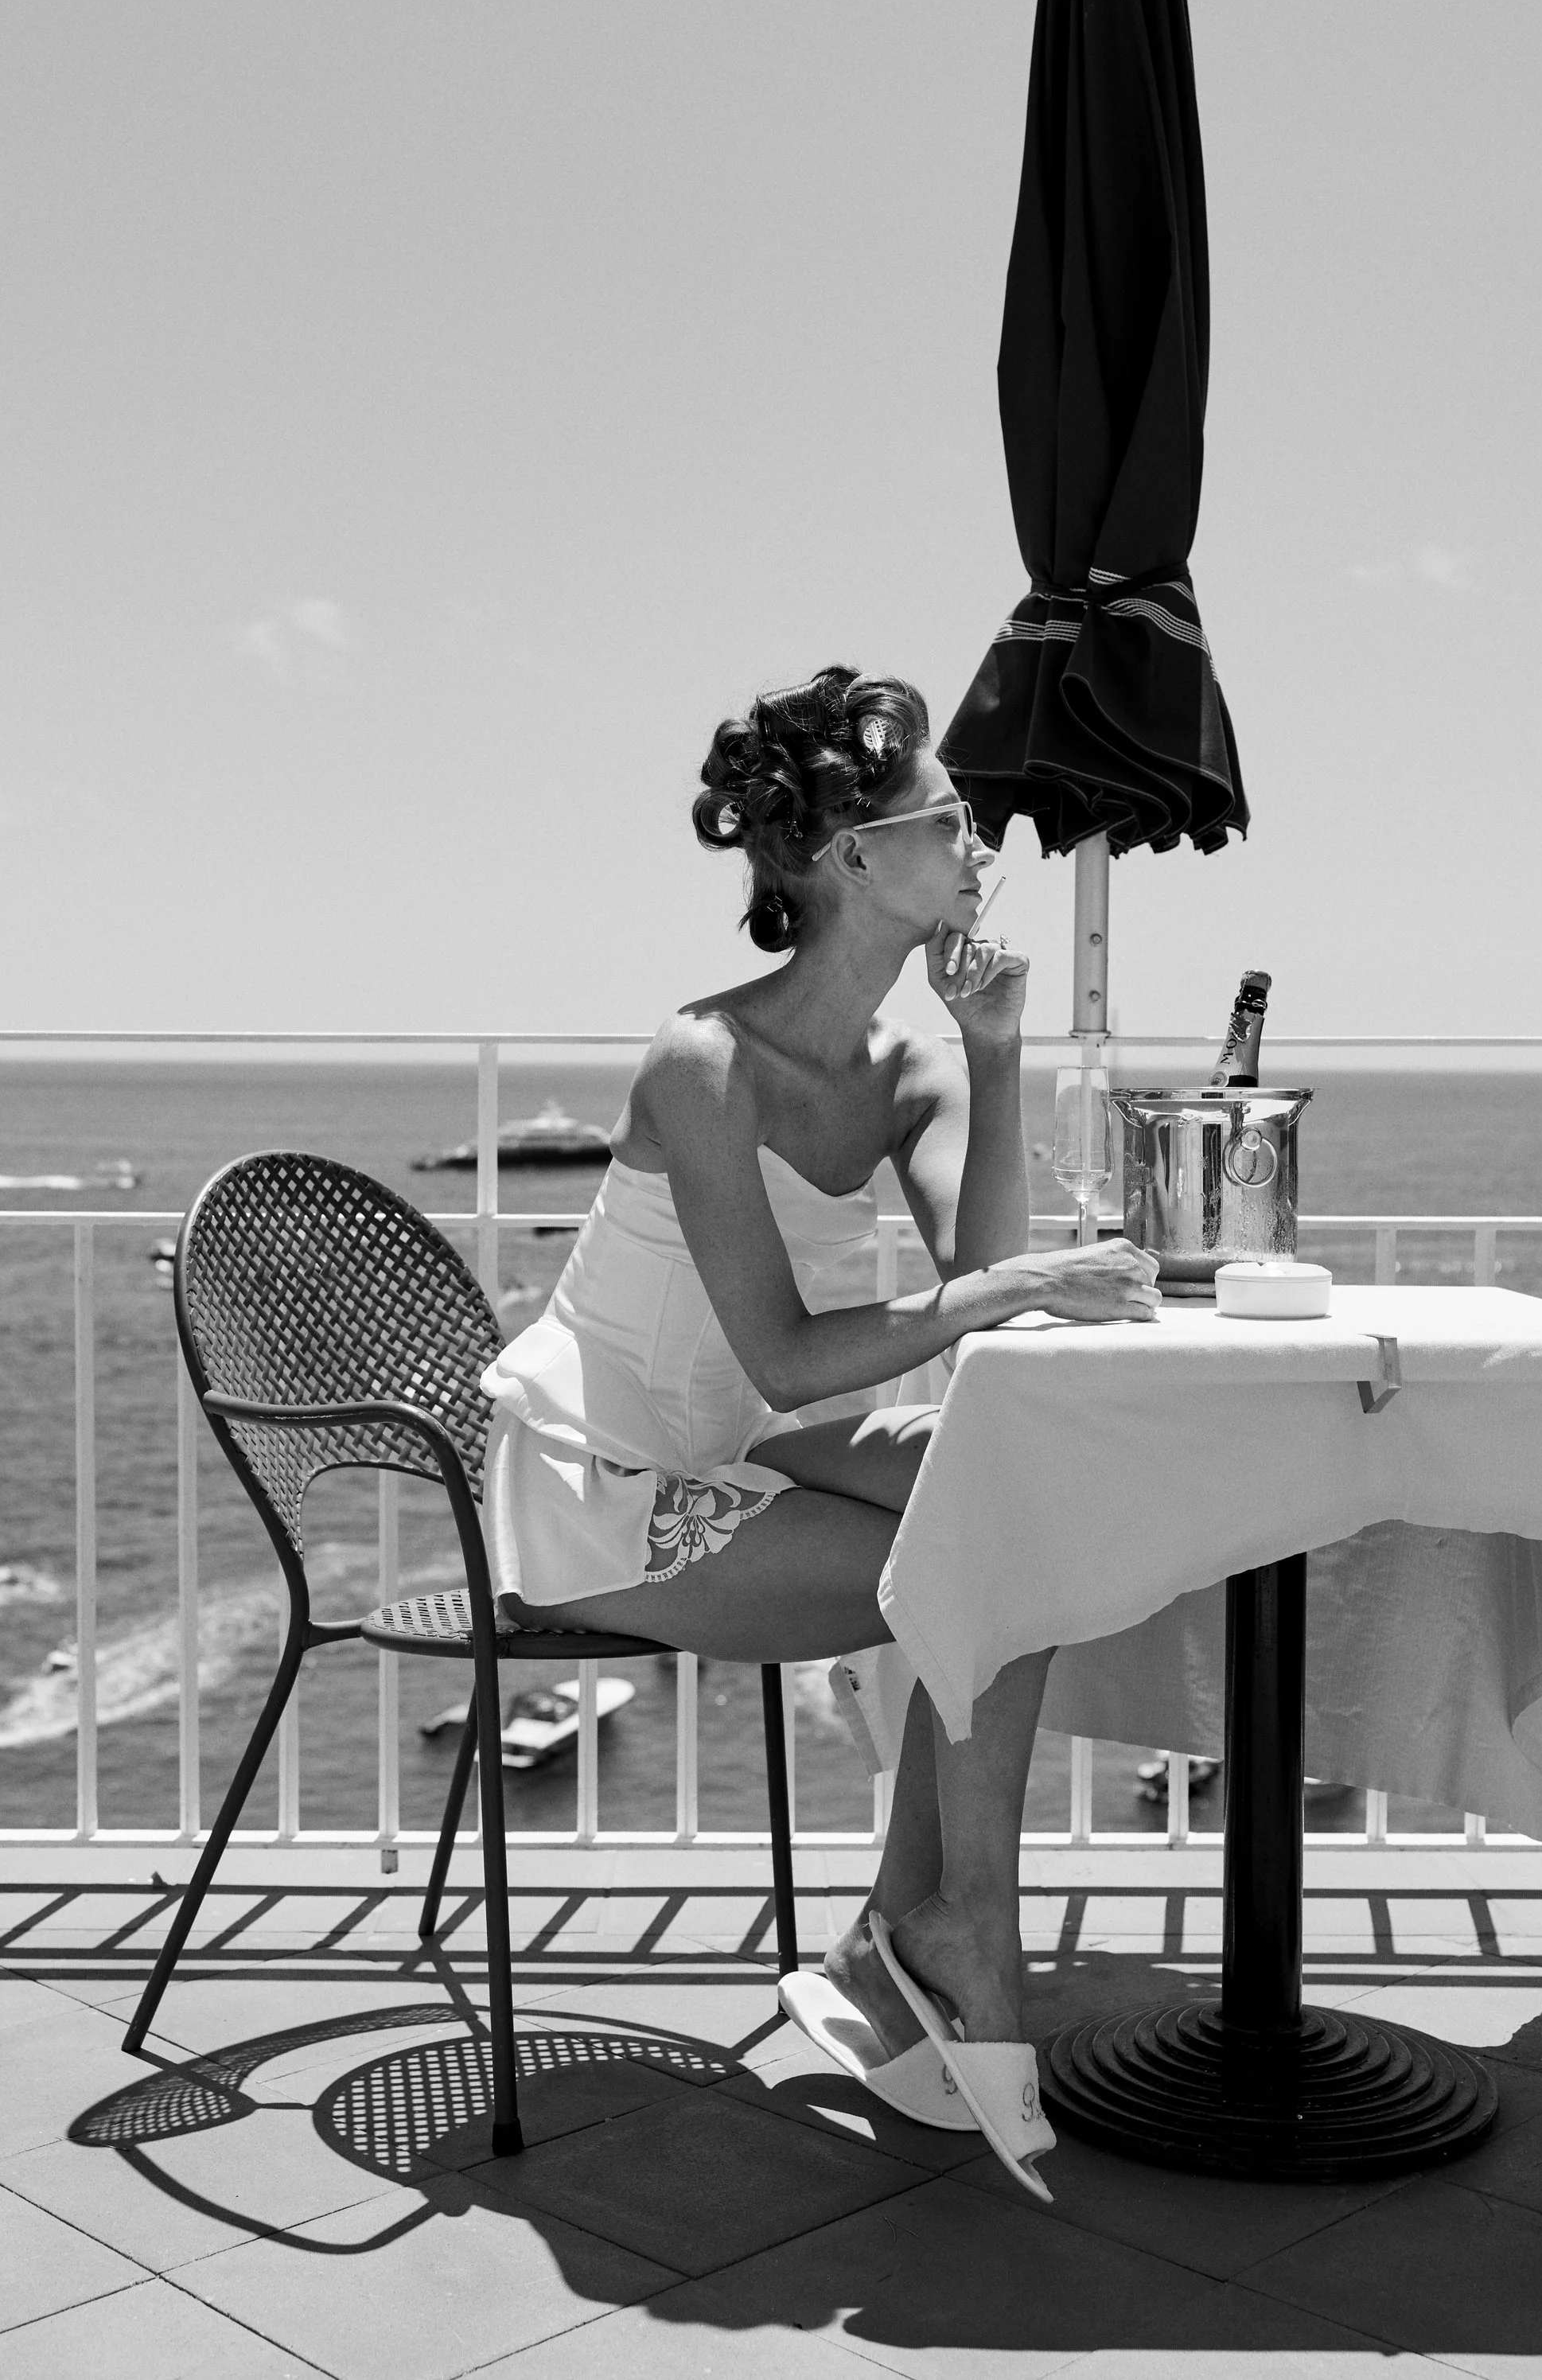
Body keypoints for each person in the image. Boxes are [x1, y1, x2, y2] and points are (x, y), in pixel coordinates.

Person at [480, 665, 1158, 2183]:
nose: (982, 841)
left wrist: (995, 1052)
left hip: (725, 1448)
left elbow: (982, 1277)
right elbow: (792, 1358)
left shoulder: (910, 1067)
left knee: (1016, 1502)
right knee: (994, 1564)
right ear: (855, 855)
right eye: (952, 817)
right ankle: (945, 1937)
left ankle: (917, 1935)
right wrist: (1011, 1288)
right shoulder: (703, 1062)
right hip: (602, 1475)